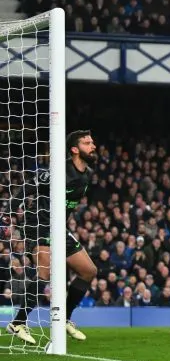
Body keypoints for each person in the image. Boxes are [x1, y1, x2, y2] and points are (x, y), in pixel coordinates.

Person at [6, 130, 99, 344]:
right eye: (87, 143)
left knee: (88, 270)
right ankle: (18, 322)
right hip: (37, 224)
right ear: (75, 149)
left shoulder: (87, 174)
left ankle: (64, 319)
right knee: (45, 270)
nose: (93, 146)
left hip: (58, 227)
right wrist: (8, 212)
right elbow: (27, 187)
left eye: (92, 142)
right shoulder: (58, 170)